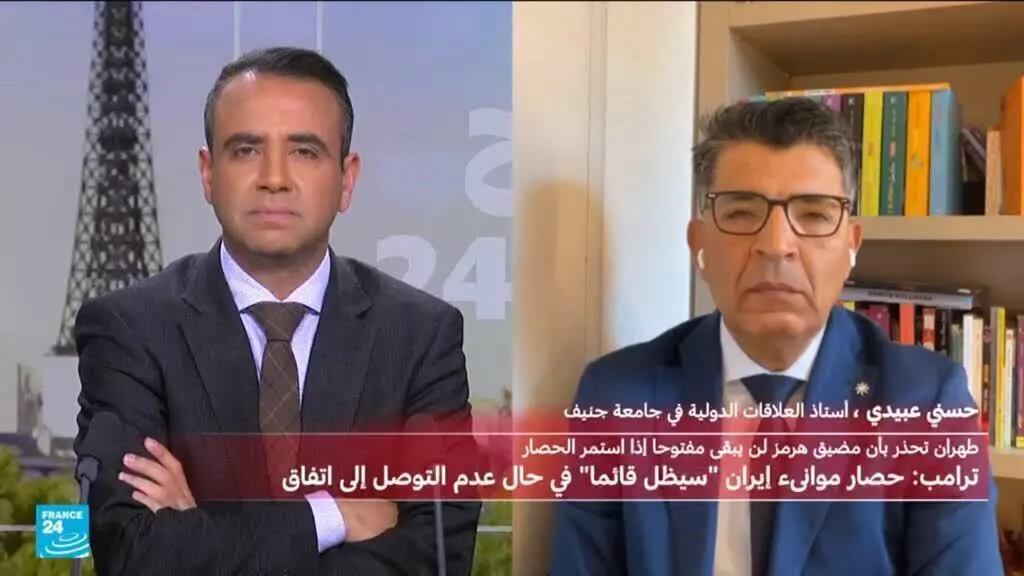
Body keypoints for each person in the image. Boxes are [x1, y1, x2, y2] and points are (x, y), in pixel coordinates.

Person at [548, 97, 1000, 575]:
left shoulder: (929, 405)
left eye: (814, 214)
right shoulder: (616, 397)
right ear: (699, 245)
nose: (776, 245)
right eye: (742, 213)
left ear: (851, 247)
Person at [73, 46, 481, 575]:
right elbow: (132, 554)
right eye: (246, 150)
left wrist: (200, 534)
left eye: (304, 152)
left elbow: (437, 557)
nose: (274, 178)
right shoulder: (130, 330)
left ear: (347, 179)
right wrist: (332, 516)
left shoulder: (420, 336)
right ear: (208, 173)